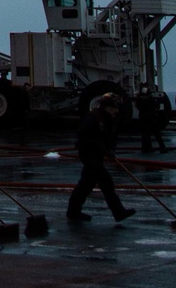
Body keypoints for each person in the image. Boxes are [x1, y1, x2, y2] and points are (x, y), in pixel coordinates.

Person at [67, 93, 136, 223]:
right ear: (107, 107)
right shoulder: (94, 117)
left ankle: (73, 211)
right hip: (89, 154)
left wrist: (110, 149)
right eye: (114, 107)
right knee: (106, 182)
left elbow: (110, 137)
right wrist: (101, 147)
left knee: (86, 184)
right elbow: (85, 136)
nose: (116, 110)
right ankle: (118, 212)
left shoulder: (110, 119)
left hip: (98, 155)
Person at [136, 83, 168, 154]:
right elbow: (156, 106)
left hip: (143, 117)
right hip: (151, 117)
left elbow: (137, 106)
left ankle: (146, 149)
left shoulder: (139, 98)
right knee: (157, 134)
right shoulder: (150, 98)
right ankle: (162, 148)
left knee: (145, 134)